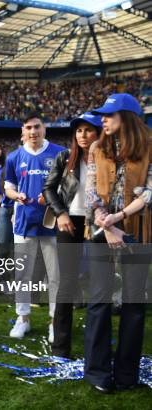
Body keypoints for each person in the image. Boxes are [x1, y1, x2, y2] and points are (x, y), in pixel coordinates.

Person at [84, 93, 151, 393]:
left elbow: (149, 193)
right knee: (99, 301)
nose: (103, 120)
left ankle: (127, 374)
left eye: (109, 115)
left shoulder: (150, 146)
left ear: (127, 117)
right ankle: (98, 372)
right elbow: (89, 191)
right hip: (102, 231)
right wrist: (106, 221)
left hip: (138, 230)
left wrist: (119, 217)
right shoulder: (97, 147)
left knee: (134, 304)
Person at [42, 112, 101, 358]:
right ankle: (60, 348)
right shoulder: (65, 157)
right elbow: (48, 188)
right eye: (79, 130)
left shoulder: (107, 159)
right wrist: (61, 213)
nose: (83, 135)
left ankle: (95, 348)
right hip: (69, 223)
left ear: (99, 132)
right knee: (67, 283)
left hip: (98, 222)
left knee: (99, 284)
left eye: (88, 130)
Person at [4, 111, 65, 340]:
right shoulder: (14, 157)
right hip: (24, 222)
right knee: (22, 273)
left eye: (37, 127)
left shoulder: (60, 153)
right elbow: (8, 188)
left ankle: (54, 321)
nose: (33, 132)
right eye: (28, 127)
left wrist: (52, 196)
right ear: (22, 131)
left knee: (55, 275)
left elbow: (69, 185)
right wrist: (16, 195)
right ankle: (23, 318)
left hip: (53, 221)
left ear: (44, 128)